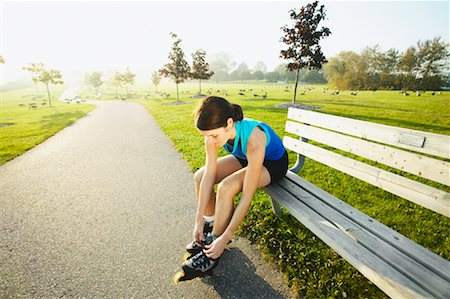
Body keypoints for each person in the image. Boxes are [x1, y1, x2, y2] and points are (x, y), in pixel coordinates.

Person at [183, 96, 288, 274]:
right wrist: (198, 221)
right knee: (199, 177)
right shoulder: (213, 134)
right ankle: (209, 227)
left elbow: (247, 194)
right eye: (207, 137)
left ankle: (213, 249)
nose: (211, 141)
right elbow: (209, 174)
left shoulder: (255, 138)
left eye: (214, 136)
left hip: (272, 163)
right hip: (245, 157)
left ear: (229, 123)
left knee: (226, 187)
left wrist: (226, 237)